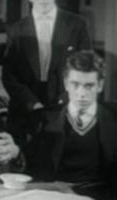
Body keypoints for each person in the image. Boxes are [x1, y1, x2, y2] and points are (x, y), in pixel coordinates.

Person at [2, 0, 92, 144]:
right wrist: (31, 103)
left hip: (64, 101)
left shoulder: (77, 24)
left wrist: (65, 98)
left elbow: (86, 68)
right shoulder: (16, 30)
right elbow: (9, 75)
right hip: (26, 105)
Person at [26, 51, 117, 200]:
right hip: (53, 194)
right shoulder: (42, 119)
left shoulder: (114, 118)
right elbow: (28, 166)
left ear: (100, 85)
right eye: (75, 84)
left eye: (89, 86)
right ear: (66, 84)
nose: (81, 93)